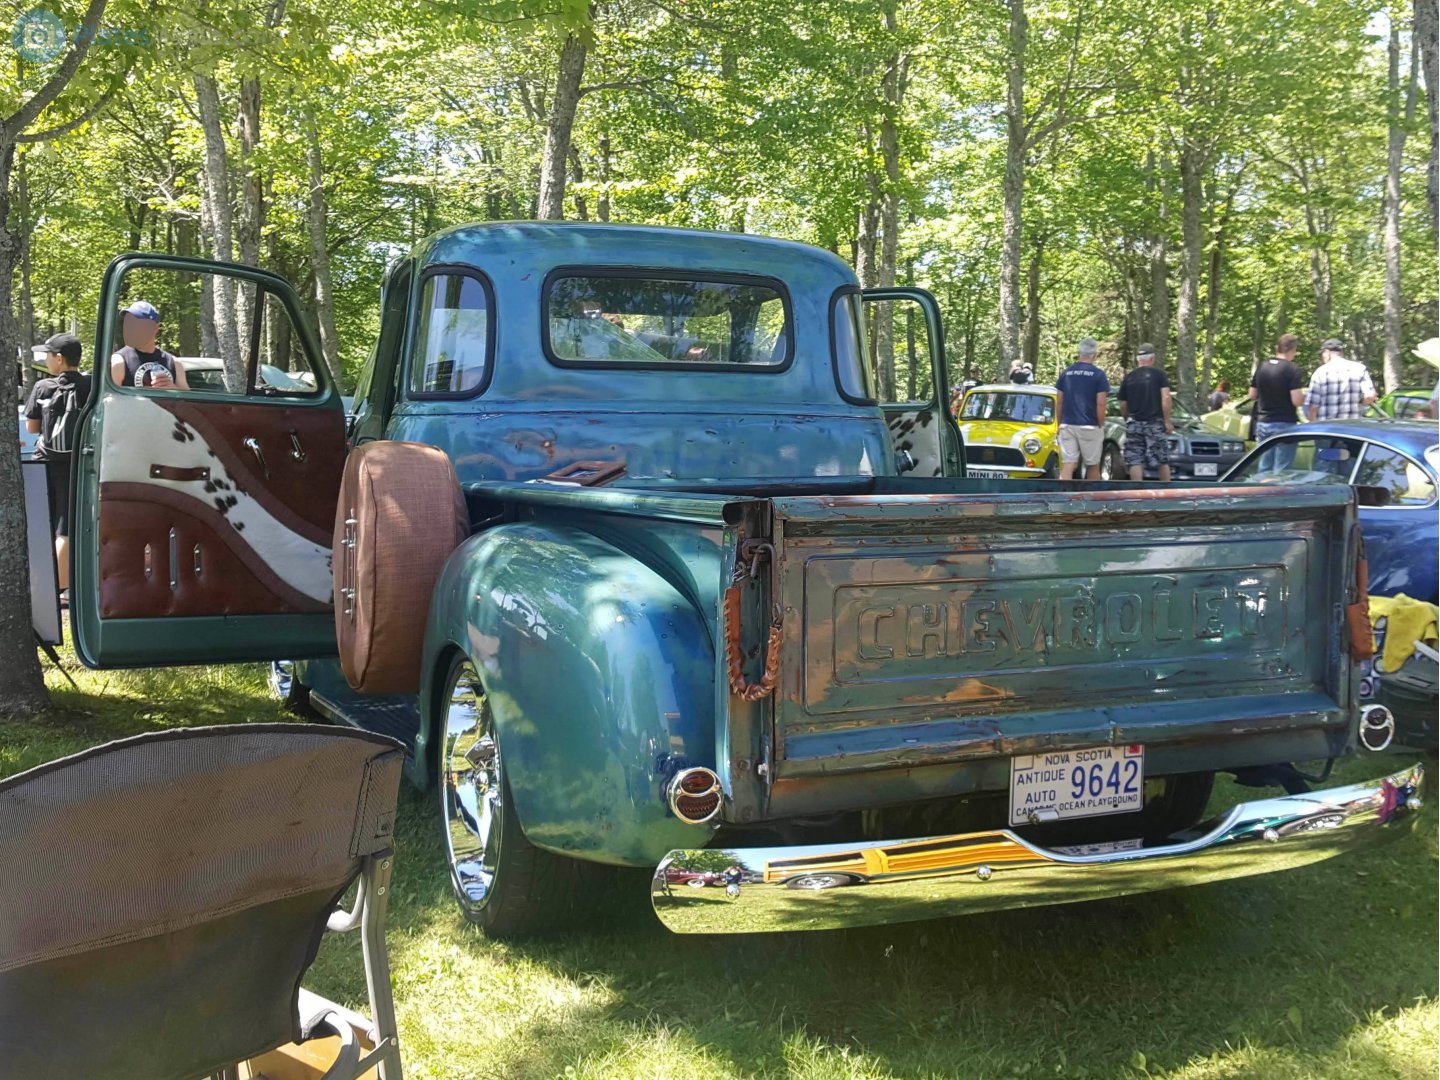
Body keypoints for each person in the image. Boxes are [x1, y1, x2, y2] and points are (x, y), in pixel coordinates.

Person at [24, 332, 93, 601]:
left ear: (59, 359)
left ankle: (42, 586)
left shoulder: (43, 388)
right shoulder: (91, 386)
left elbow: (32, 427)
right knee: (65, 526)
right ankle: (62, 590)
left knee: (42, 523)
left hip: (44, 464)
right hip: (75, 466)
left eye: (48, 355)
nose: (46, 359)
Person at [1054, 338, 1110, 480]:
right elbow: (1101, 403)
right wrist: (1100, 424)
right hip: (1089, 425)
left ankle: (1064, 499)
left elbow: (1059, 401)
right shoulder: (1099, 375)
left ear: (1079, 353)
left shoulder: (1066, 373)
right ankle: (1092, 500)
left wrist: (1059, 423)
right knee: (1092, 465)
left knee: (1068, 464)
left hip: (1067, 424)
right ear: (1094, 355)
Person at [1117, 343, 1174, 481]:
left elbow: (1123, 404)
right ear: (1152, 358)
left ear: (1138, 359)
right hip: (1155, 423)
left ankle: (1137, 493)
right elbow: (1166, 397)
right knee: (1161, 458)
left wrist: (1127, 418)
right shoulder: (1159, 375)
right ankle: (1166, 494)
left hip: (1134, 422)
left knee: (1135, 458)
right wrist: (1167, 421)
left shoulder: (1129, 377)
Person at [1249, 334, 1306, 472]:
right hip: (1284, 422)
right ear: (1293, 350)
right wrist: (1304, 398)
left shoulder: (1263, 366)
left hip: (1263, 421)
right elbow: (1296, 400)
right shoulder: (1292, 369)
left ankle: (1261, 491)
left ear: (1277, 348)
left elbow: (1252, 395)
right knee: (1282, 468)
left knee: (1264, 464)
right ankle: (1279, 492)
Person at [109, 300, 189, 390]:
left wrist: (171, 388)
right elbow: (111, 399)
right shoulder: (119, 360)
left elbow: (187, 400)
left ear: (155, 328)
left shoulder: (174, 363)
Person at [1306, 338, 1376, 422]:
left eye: (1322, 354)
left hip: (1327, 428)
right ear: (1341, 352)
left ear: (1327, 352)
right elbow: (1370, 396)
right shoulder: (1359, 369)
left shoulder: (1320, 372)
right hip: (1351, 427)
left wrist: (1313, 425)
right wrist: (1360, 402)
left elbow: (1313, 406)